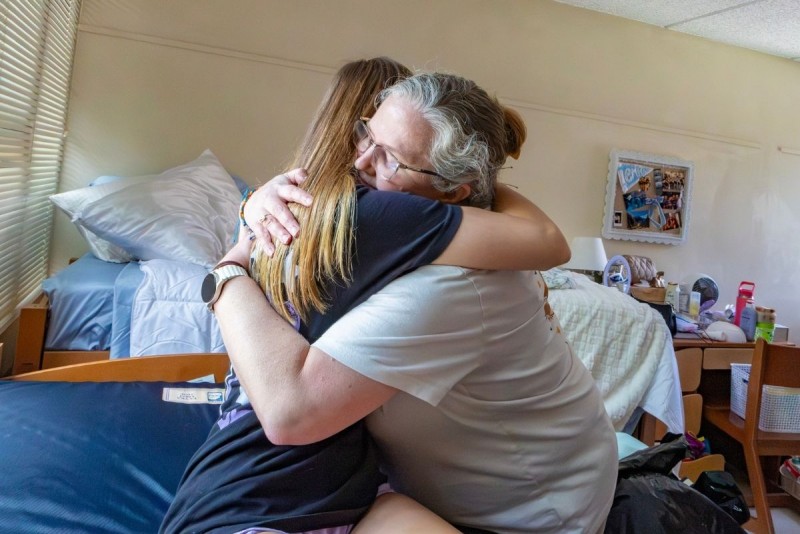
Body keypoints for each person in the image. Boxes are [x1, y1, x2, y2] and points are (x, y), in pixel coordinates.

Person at [161, 60, 569, 534]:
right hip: (263, 501)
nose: (364, 161)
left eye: (391, 155)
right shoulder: (378, 214)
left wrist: (234, 246)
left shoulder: (282, 209)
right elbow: (547, 240)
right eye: (366, 134)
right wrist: (476, 180)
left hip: (277, 484)